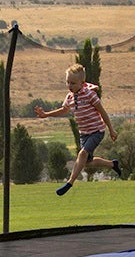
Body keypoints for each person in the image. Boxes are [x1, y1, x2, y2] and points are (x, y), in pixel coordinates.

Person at [34, 63, 122, 195]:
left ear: (82, 82)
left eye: (73, 83)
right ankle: (112, 164)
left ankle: (69, 183)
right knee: (86, 163)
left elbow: (103, 112)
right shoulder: (69, 97)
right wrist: (46, 114)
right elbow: (63, 110)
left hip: (96, 131)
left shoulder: (90, 94)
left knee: (82, 154)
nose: (70, 86)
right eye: (68, 82)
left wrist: (111, 129)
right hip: (84, 134)